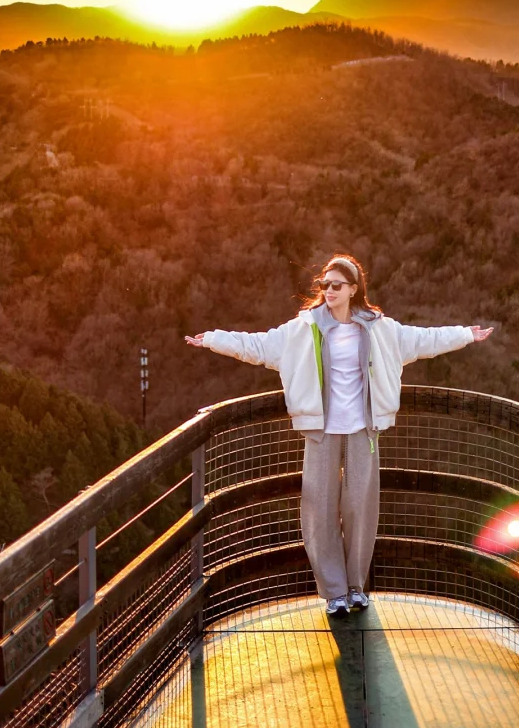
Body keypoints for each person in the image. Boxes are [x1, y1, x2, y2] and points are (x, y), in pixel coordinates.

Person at [186, 254, 492, 617]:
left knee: (361, 508)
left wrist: (466, 335)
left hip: (363, 428)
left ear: (353, 289)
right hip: (321, 430)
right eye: (323, 285)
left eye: (336, 285)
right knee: (320, 509)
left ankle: (355, 586)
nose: (327, 291)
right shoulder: (303, 328)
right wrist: (214, 340)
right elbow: (257, 346)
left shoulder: (379, 328)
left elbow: (424, 340)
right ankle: (333, 591)